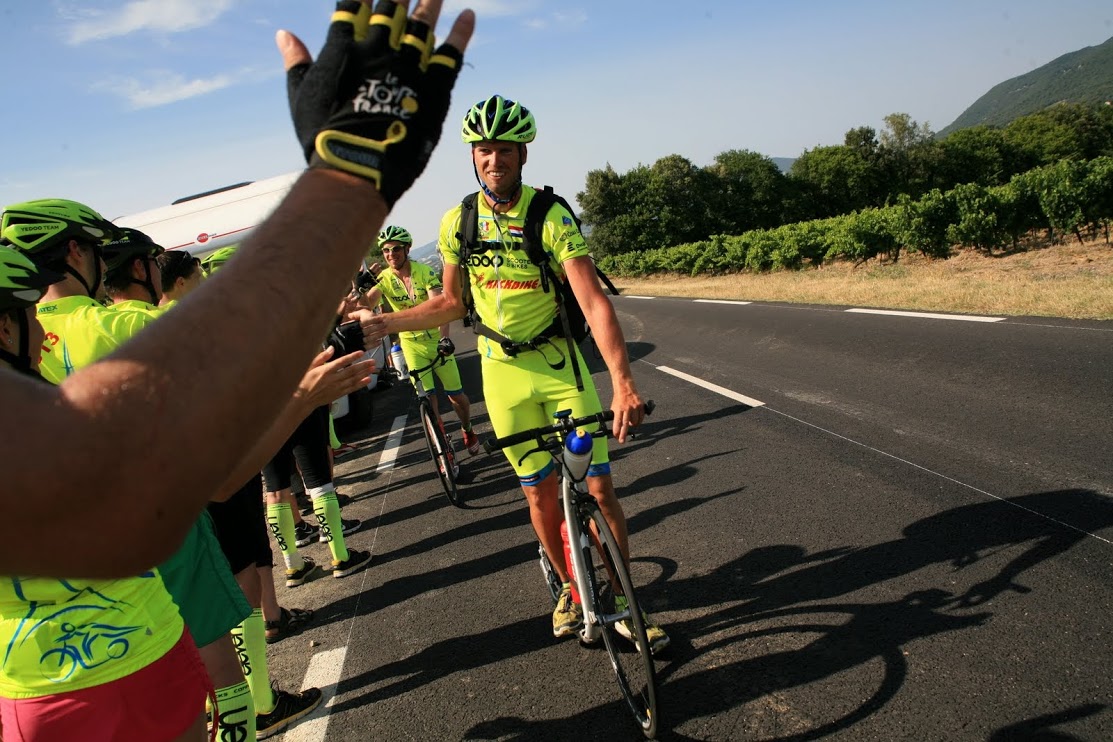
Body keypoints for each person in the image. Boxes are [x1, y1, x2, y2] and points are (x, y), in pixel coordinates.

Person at [0, 0, 474, 579]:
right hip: (150, 630)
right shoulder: (114, 328)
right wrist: (345, 184)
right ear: (75, 254)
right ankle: (327, 557)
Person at [356, 95, 670, 653]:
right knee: (540, 496)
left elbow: (593, 302)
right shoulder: (459, 221)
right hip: (502, 374)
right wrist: (386, 324)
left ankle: (626, 602)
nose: (492, 160)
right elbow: (450, 303)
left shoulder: (550, 216)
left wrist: (623, 383)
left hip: (559, 368)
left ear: (522, 153)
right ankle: (572, 591)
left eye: (503, 150)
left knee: (598, 487)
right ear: (472, 157)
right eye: (482, 151)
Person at [0, 245, 211, 741]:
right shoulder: (62, 417)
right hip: (144, 645)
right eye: (33, 318)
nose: (42, 336)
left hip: (37, 685)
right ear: (4, 329)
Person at [366, 224, 480, 454]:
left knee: (456, 396)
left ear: (407, 249)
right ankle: (441, 439)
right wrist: (363, 284)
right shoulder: (384, 279)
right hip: (411, 344)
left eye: (396, 249)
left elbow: (439, 308)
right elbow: (364, 305)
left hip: (435, 339)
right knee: (427, 397)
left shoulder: (424, 272)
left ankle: (467, 427)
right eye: (386, 251)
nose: (391, 255)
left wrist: (444, 339)